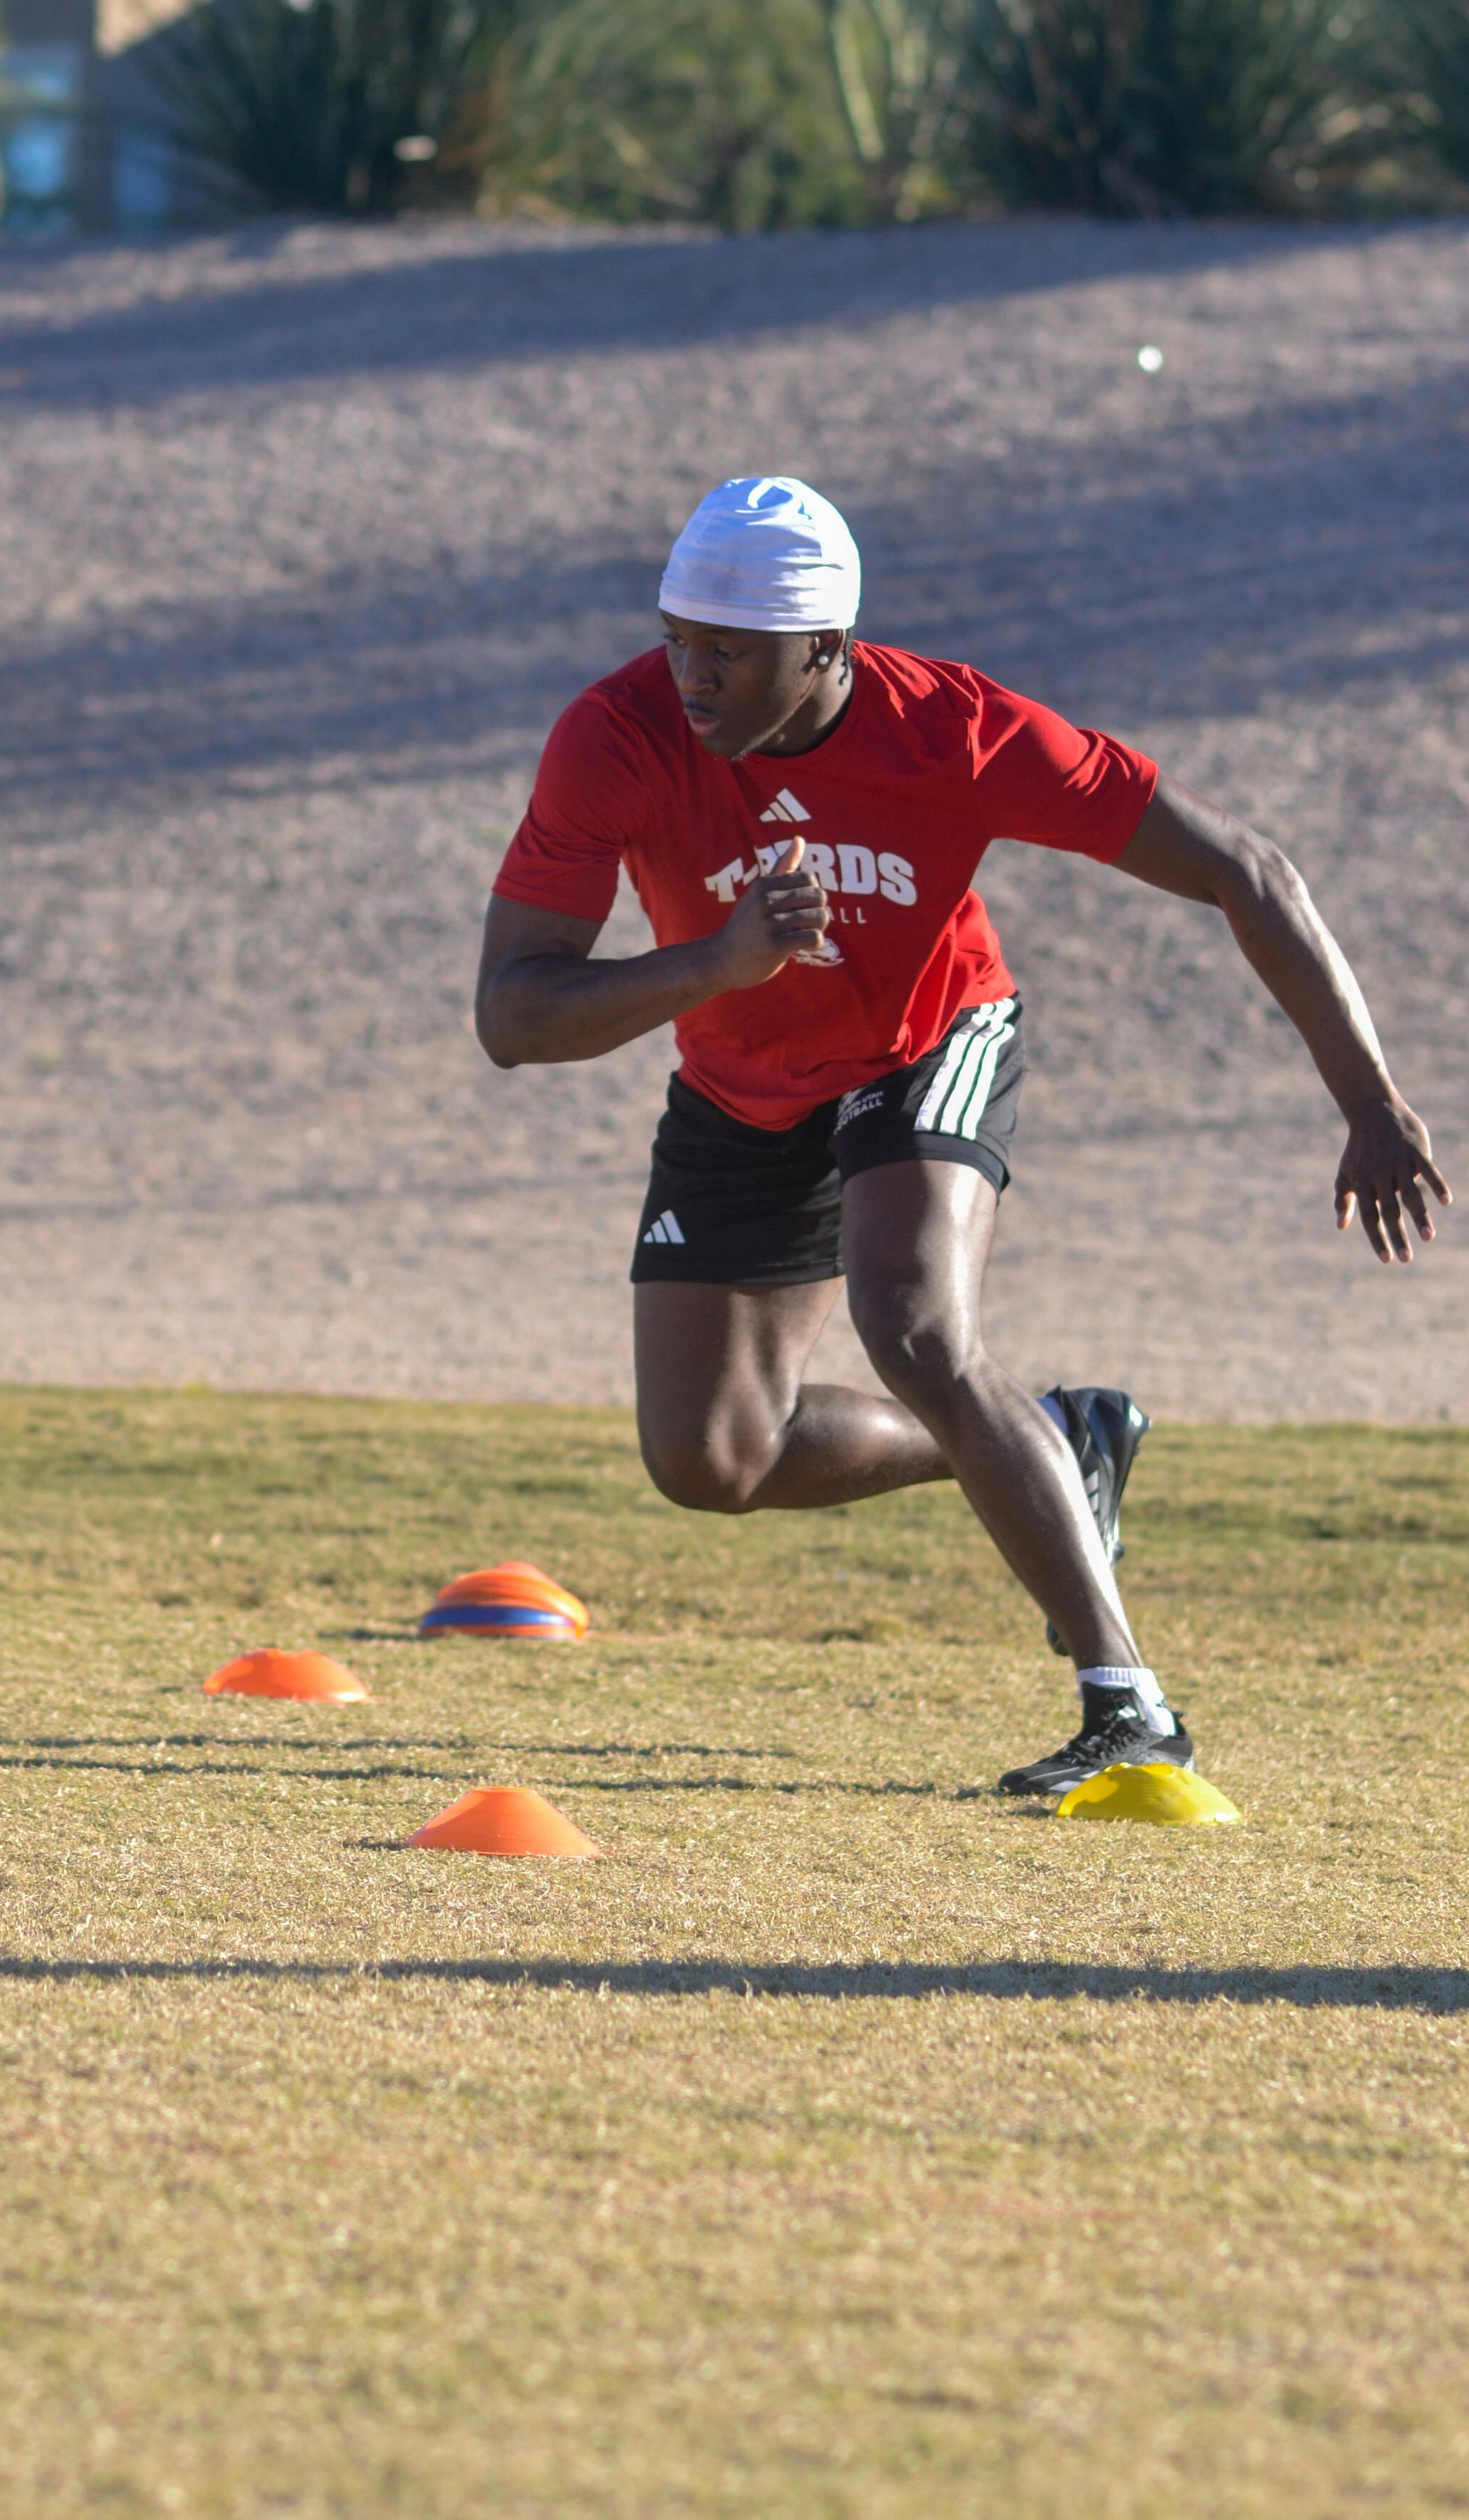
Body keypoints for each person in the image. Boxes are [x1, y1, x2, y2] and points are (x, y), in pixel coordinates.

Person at [474, 474, 1450, 1794]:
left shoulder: (956, 730)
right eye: (677, 639)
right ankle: (1054, 1436)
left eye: (730, 653)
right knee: (711, 1458)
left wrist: (1368, 1097)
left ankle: (1129, 1702)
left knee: (919, 1327)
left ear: (826, 647)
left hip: (929, 1037)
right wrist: (715, 964)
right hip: (740, 1076)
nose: (692, 676)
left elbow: (1244, 868)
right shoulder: (615, 738)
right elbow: (515, 1015)